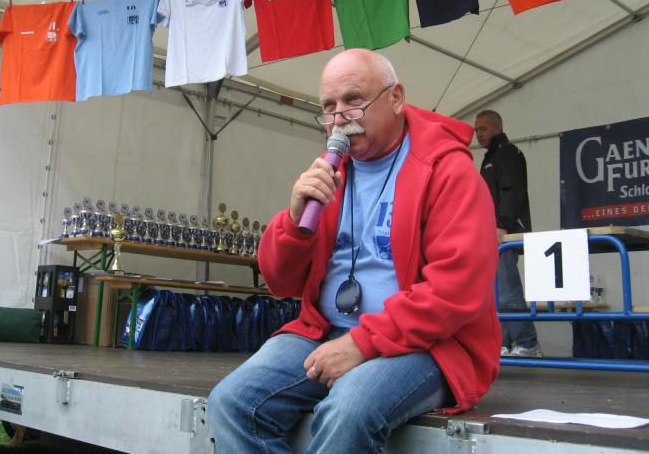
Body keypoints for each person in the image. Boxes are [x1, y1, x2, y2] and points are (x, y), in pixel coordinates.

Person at [208, 49, 501, 453]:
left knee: (347, 411)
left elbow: (456, 290)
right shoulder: (329, 172)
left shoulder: (449, 171)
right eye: (328, 107)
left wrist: (362, 343)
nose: (339, 117)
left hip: (428, 345)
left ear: (396, 98)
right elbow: (279, 281)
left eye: (353, 100)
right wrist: (293, 221)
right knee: (232, 403)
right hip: (324, 332)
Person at [474, 110, 541, 357]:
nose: (478, 134)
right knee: (495, 290)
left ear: (497, 127)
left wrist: (501, 224)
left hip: (505, 233)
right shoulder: (490, 157)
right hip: (492, 233)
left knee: (507, 289)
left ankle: (528, 343)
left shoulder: (508, 153)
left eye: (483, 129)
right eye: (476, 130)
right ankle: (502, 342)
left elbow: (512, 191)